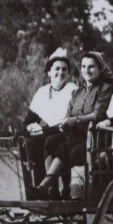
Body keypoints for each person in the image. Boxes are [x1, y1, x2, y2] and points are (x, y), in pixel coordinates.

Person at [36, 51, 113, 198]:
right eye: (84, 66)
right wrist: (65, 123)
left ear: (100, 68)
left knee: (66, 149)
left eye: (91, 67)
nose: (86, 70)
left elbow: (98, 114)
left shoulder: (105, 88)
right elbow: (69, 114)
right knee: (49, 141)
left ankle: (44, 186)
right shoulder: (78, 92)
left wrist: (76, 120)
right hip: (75, 134)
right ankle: (52, 190)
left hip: (96, 137)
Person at [22, 48, 77, 188]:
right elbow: (28, 120)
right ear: (49, 72)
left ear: (68, 73)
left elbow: (74, 117)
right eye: (56, 69)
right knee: (29, 141)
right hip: (49, 131)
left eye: (64, 69)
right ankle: (33, 185)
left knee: (49, 141)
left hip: (67, 132)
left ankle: (55, 188)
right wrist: (30, 127)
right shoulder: (42, 92)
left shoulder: (72, 89)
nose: (60, 72)